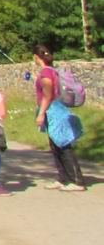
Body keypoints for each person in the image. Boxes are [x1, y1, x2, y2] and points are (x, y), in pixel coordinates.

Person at [33, 45, 87, 192]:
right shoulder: (52, 71)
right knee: (55, 145)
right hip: (56, 109)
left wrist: (41, 113)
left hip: (53, 110)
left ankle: (77, 180)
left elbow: (48, 94)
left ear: (37, 57)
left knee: (62, 145)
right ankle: (64, 178)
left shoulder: (45, 73)